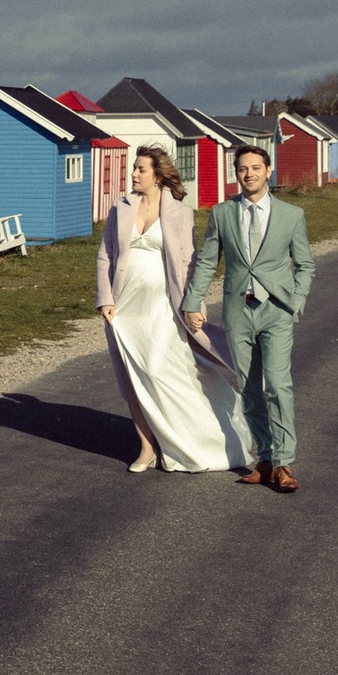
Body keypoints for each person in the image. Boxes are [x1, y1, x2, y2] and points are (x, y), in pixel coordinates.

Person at [96, 145, 253, 473]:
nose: (134, 174)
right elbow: (106, 256)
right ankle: (147, 447)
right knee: (134, 376)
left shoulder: (180, 212)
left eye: (141, 169)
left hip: (165, 306)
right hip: (126, 308)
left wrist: (193, 303)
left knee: (160, 370)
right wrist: (106, 299)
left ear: (158, 175)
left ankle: (205, 436)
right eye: (135, 169)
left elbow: (189, 262)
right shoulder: (120, 208)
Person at [183, 141, 315, 492]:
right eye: (242, 169)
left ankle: (285, 462)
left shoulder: (291, 215)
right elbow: (208, 260)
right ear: (236, 173)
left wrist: (295, 300)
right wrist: (193, 301)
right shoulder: (223, 213)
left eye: (256, 168)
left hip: (276, 311)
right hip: (238, 311)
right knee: (249, 387)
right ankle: (266, 460)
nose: (249, 174)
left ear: (268, 171)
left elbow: (305, 264)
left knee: (278, 384)